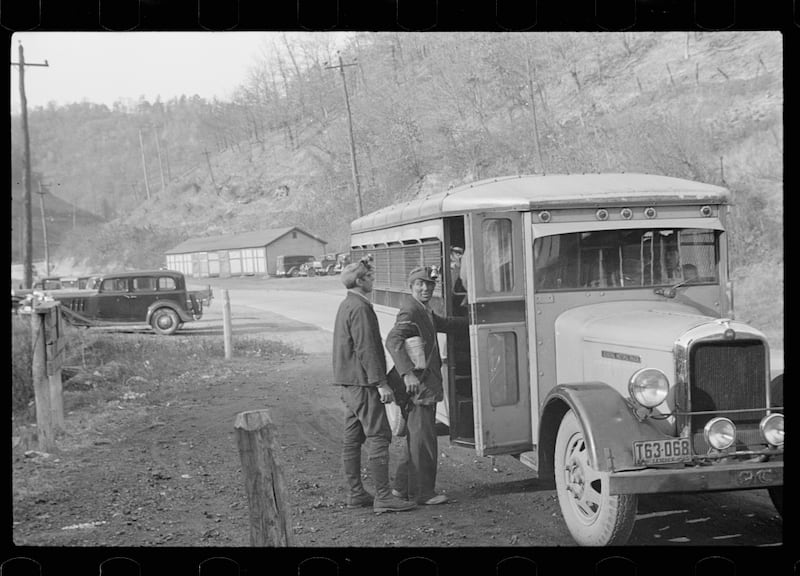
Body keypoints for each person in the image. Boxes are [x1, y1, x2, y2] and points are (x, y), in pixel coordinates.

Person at [331, 258, 416, 514]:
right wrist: (381, 384)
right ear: (359, 281)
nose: (372, 280)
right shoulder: (360, 308)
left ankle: (356, 493)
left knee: (353, 437)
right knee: (379, 435)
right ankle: (383, 497)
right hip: (364, 383)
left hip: (349, 383)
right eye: (369, 276)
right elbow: (367, 349)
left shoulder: (347, 304)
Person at [385, 265, 468, 506]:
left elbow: (441, 323)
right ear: (411, 287)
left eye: (429, 284)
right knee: (423, 441)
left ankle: (401, 488)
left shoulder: (423, 309)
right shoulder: (410, 310)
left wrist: (473, 319)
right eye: (420, 284)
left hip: (422, 386)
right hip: (418, 387)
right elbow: (393, 340)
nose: (425, 288)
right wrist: (407, 373)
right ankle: (423, 493)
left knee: (416, 439)